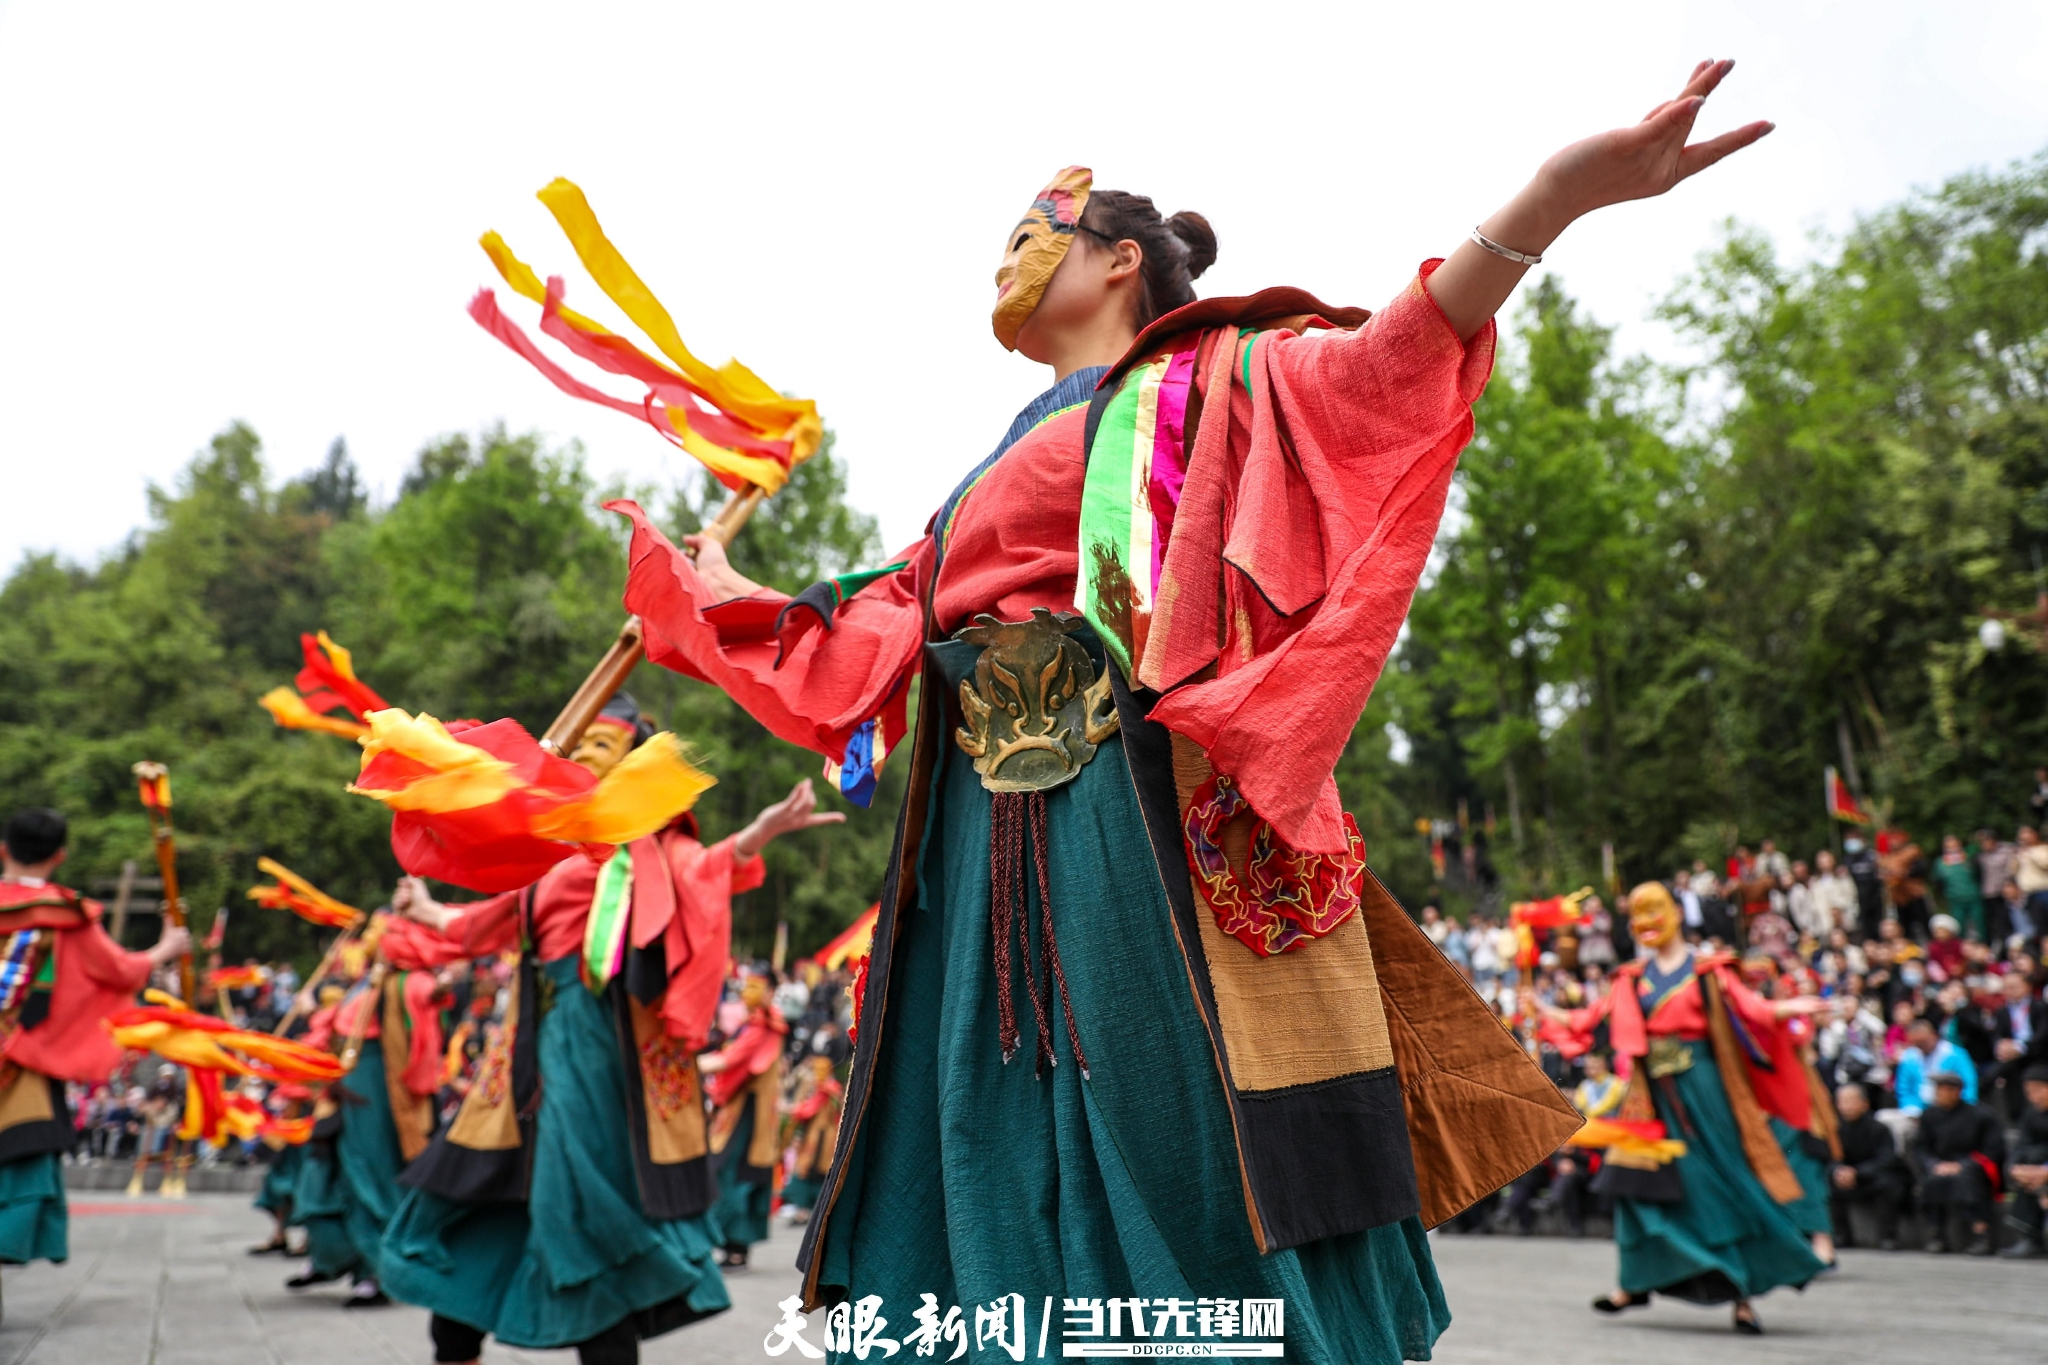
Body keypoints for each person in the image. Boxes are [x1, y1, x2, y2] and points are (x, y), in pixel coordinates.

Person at [608, 55, 1774, 1365]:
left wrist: (1553, 198)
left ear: (1117, 265)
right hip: (987, 826)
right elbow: (893, 617)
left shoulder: (1210, 377)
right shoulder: (993, 463)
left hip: (1140, 797)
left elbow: (1394, 358)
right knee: (991, 1104)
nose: (1000, 264)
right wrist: (734, 596)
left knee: (1174, 1108)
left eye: (1028, 238)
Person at [380, 695, 843, 1365]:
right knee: (472, 1197)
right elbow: (476, 928)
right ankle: (458, 1340)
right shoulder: (547, 857)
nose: (588, 750)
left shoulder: (643, 847)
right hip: (520, 1051)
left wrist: (756, 835)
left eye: (607, 742)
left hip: (593, 1044)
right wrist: (424, 905)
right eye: (585, 741)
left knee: (582, 1204)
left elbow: (702, 869)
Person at [1527, 883, 1830, 1336]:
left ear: (1675, 913)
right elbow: (1587, 1020)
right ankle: (1633, 1283)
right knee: (1632, 1181)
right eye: (1638, 915)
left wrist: (1790, 1006)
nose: (1646, 922)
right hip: (1650, 1094)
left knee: (1723, 1180)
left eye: (1655, 911)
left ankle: (1743, 1296)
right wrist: (1541, 1007)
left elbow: (1753, 1009)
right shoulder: (1630, 977)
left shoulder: (1709, 970)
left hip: (1704, 1086)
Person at [0, 809, 189, 1264]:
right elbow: (119, 970)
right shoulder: (66, 915)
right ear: (60, 856)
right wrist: (167, 948)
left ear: (3, 850)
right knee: (18, 1161)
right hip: (21, 1059)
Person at [698, 969, 786, 1269]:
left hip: (748, 1113)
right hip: (742, 1109)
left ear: (771, 991)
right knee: (737, 1174)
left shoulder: (763, 1028)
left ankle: (732, 1244)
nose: (747, 991)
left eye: (755, 986)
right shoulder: (754, 1025)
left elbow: (732, 1060)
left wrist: (689, 1065)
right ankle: (734, 1245)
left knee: (733, 1174)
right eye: (745, 986)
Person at [1914, 1070, 2005, 1255]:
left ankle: (1981, 1233)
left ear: (1957, 1091)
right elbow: (1921, 1148)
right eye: (1937, 1089)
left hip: (1972, 1167)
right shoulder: (1929, 1116)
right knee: (1932, 1182)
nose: (1939, 1093)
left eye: (1944, 1089)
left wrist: (1963, 1165)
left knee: (1967, 1181)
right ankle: (1936, 1233)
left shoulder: (1981, 1116)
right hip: (1940, 1166)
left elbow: (1993, 1150)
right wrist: (1934, 1164)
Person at [1827, 1083, 1905, 1251]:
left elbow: (1887, 1159)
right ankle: (1841, 1235)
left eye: (1851, 1101)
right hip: (1846, 1179)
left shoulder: (1879, 1129)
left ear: (1865, 1103)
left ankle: (1888, 1236)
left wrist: (1858, 1172)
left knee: (1888, 1184)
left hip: (1871, 1178)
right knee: (1826, 1183)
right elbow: (1829, 1156)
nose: (1846, 1106)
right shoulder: (1834, 1129)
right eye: (1842, 1102)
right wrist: (1839, 1170)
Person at [777, 1053, 843, 1224]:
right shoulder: (832, 1088)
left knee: (808, 1172)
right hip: (825, 1137)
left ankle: (805, 1212)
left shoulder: (825, 1090)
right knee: (818, 1174)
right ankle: (811, 1212)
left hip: (819, 1139)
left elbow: (806, 1111)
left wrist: (787, 1108)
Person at [2000, 1064, 2048, 1258]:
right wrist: (2015, 1169)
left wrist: (2045, 1172)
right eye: (2029, 1091)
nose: (2033, 1096)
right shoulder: (2031, 1115)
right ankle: (2029, 1238)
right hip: (2035, 1173)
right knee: (2027, 1167)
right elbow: (2020, 1146)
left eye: (2039, 1089)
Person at [1893, 1016, 1978, 1115]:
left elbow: (1969, 1086)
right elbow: (1904, 1090)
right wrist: (1911, 1108)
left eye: (1924, 1042)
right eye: (1917, 1044)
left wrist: (1961, 1109)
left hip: (1952, 1110)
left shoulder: (1956, 1055)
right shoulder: (1909, 1058)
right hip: (1918, 1111)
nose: (1921, 1046)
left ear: (1933, 1035)